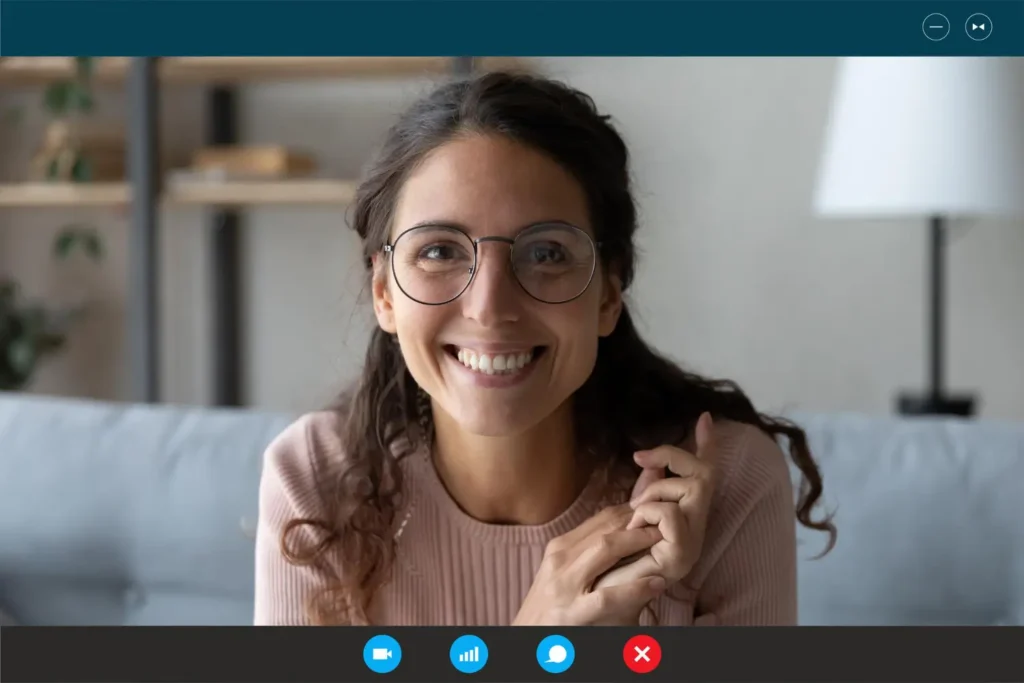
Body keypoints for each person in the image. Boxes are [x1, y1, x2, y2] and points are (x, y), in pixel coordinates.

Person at [254, 70, 836, 627]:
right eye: (438, 251)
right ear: (384, 291)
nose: (488, 306)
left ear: (609, 293)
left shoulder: (726, 483)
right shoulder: (316, 480)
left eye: (547, 253)